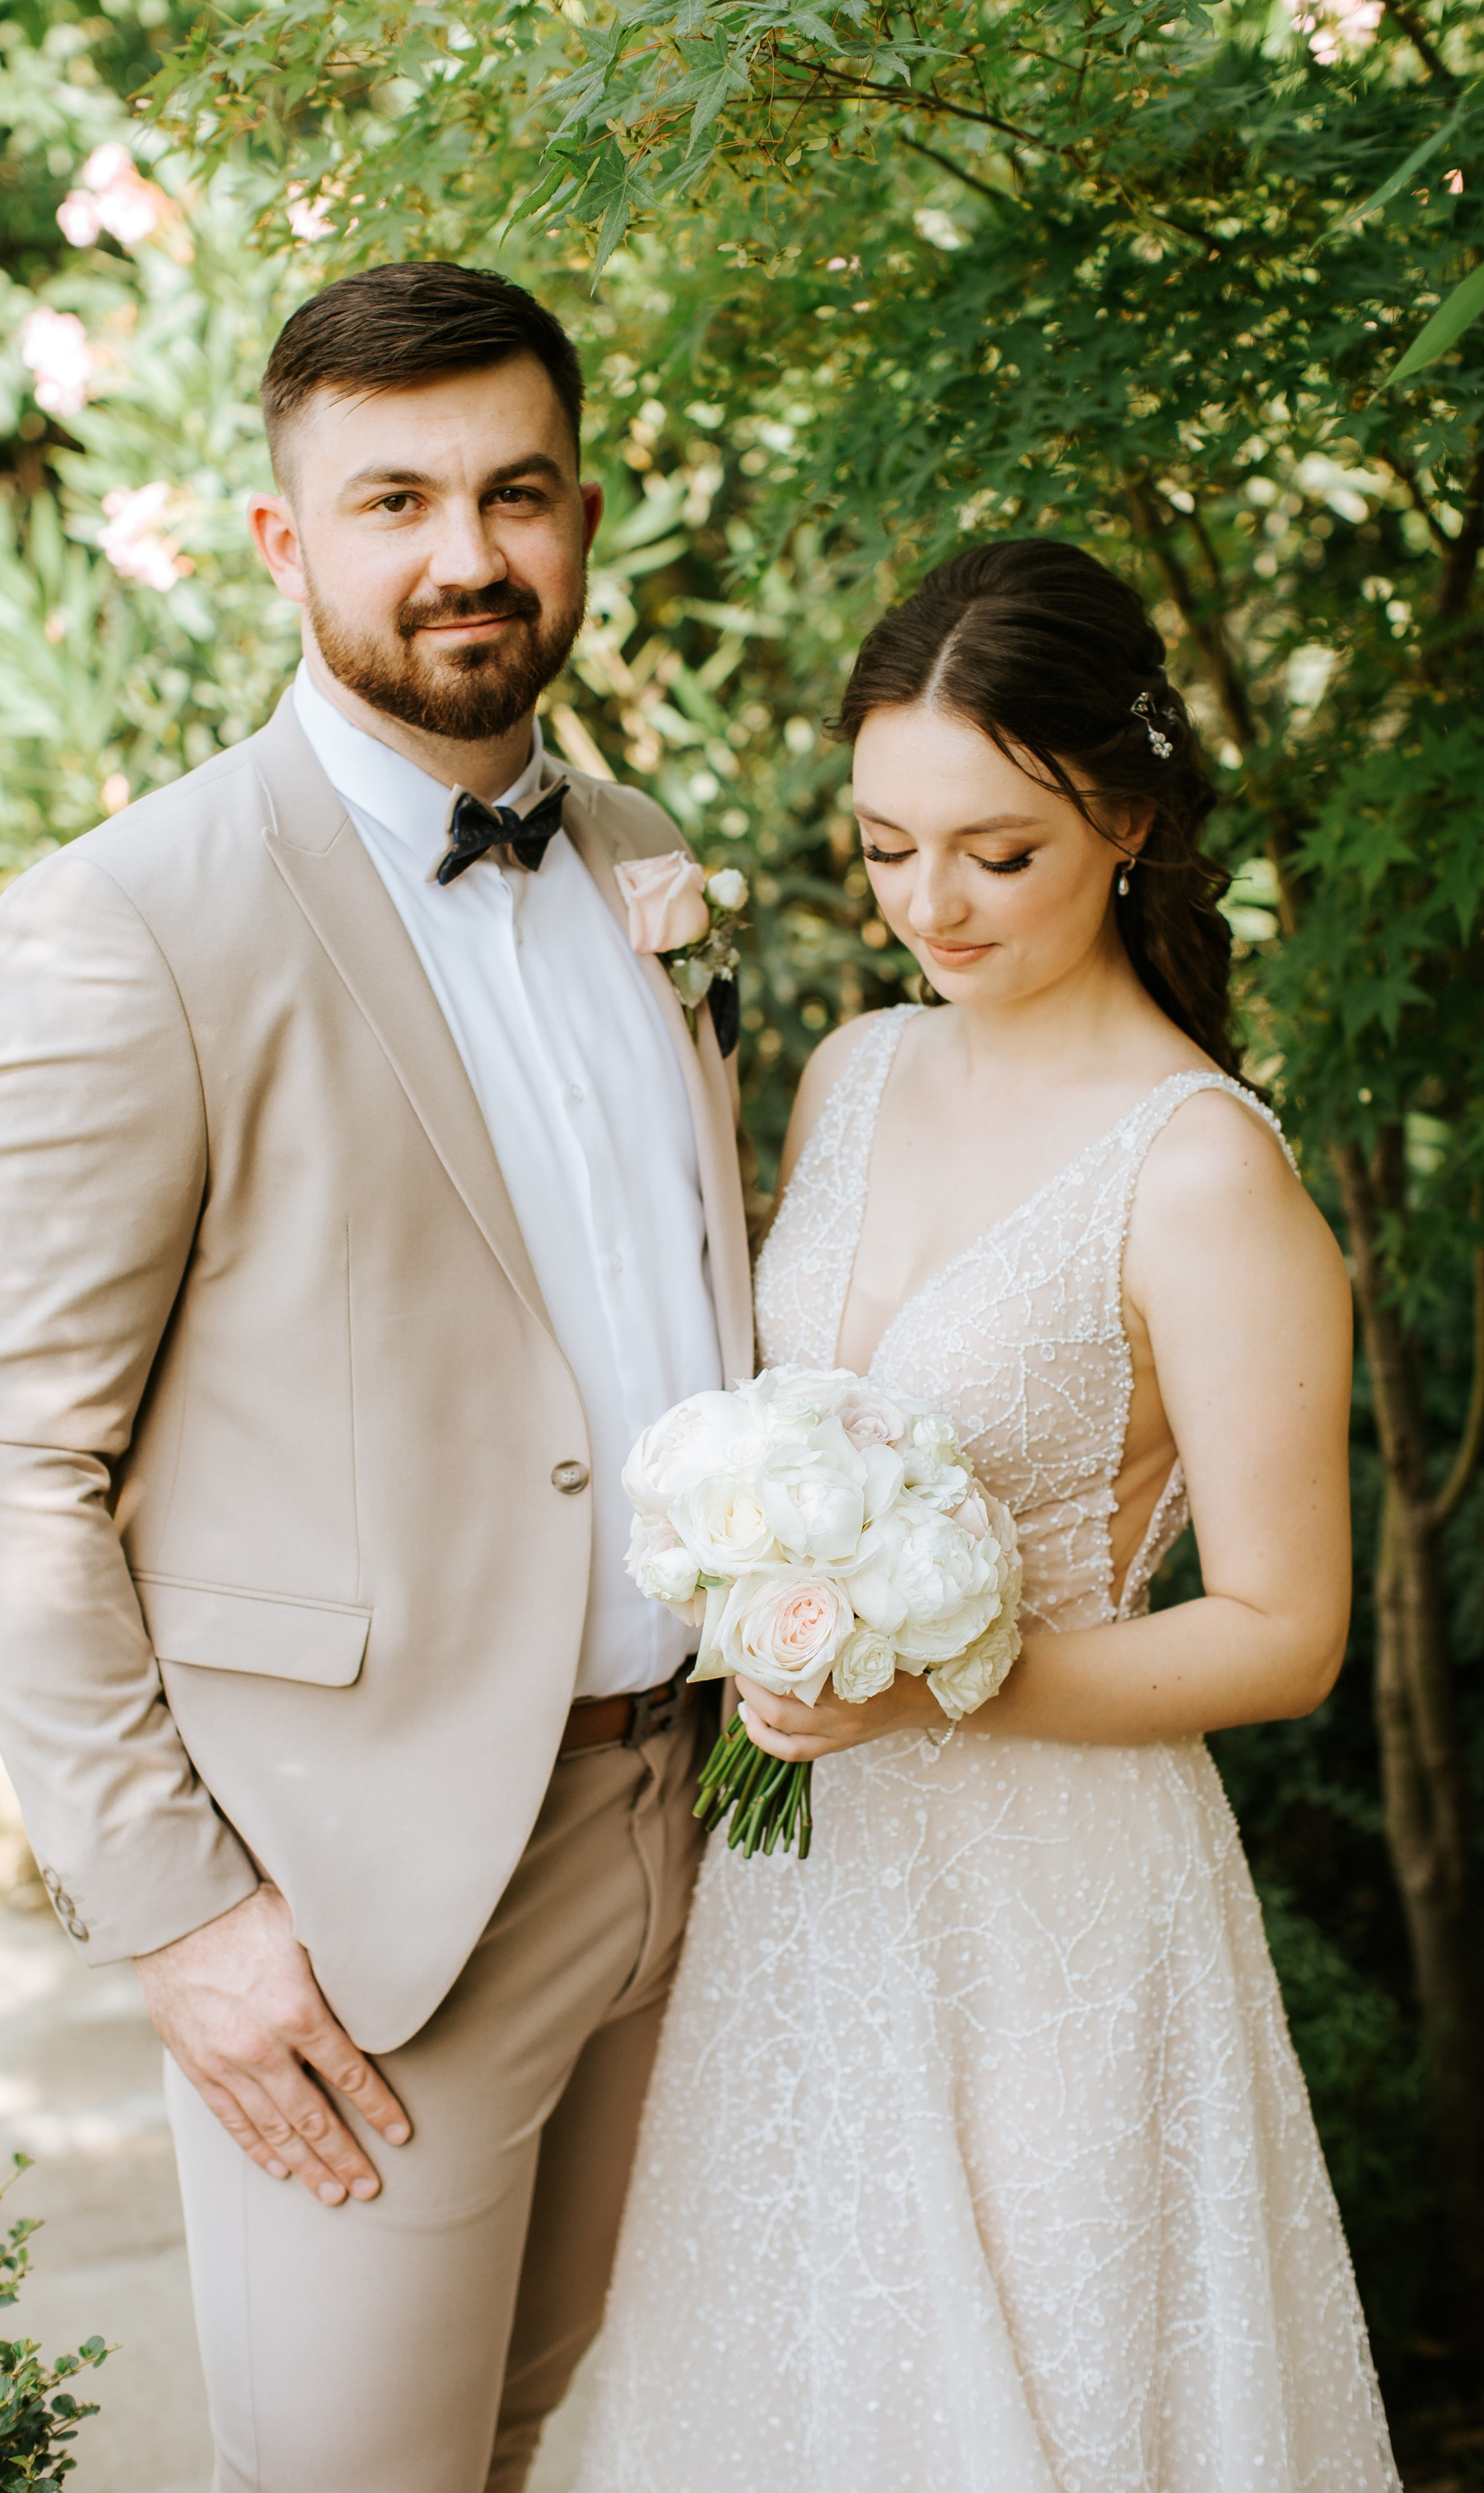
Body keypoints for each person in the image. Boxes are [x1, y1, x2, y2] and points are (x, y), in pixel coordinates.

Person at [0, 261, 752, 2493]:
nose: (464, 551)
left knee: (542, 2439)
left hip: (706, 1828)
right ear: (287, 542)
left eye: (517, 492)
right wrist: (183, 1915)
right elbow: (5, 1459)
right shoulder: (135, 924)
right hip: (372, 1895)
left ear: (582, 519)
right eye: (394, 497)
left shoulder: (648, 869)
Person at [577, 538, 1400, 2492]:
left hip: (1059, 1914)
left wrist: (931, 1685)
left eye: (996, 854)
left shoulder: (1197, 1173)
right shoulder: (852, 1075)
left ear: (1122, 818)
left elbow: (1286, 1634)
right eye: (883, 848)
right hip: (808, 1883)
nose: (926, 905)